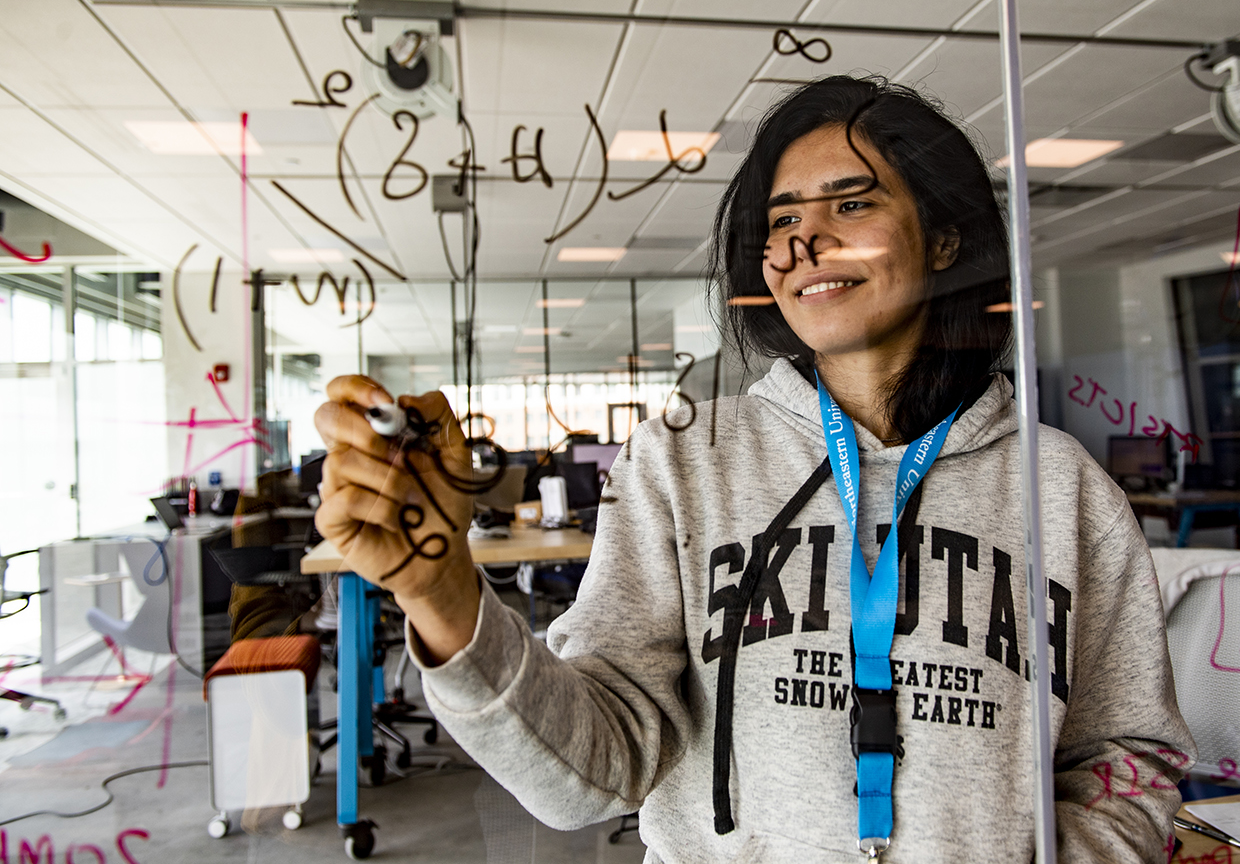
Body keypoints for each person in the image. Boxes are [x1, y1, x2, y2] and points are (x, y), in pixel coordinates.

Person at [312, 76, 1194, 862]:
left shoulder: (1065, 491)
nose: (805, 239)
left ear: (946, 242)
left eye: (851, 204)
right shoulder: (682, 463)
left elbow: (1127, 757)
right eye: (783, 219)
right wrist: (444, 595)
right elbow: (590, 776)